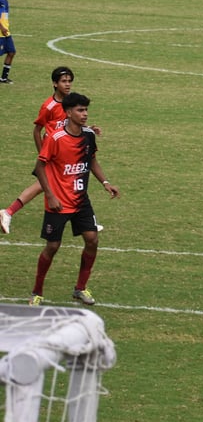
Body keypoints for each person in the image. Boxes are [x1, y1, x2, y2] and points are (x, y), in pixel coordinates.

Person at [30, 92, 121, 307]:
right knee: (52, 247)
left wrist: (106, 183)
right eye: (80, 110)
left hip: (80, 200)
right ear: (69, 112)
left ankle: (80, 288)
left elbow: (92, 161)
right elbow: (39, 167)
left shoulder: (88, 135)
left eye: (86, 110)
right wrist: (50, 195)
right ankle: (37, 291)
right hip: (58, 202)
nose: (85, 114)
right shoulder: (55, 138)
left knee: (92, 240)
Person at [2, 67, 105, 235]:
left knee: (60, 182)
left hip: (63, 153)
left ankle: (9, 212)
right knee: (46, 185)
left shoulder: (70, 104)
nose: (68, 84)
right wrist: (43, 154)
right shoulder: (49, 106)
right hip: (52, 154)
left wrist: (88, 128)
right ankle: (8, 212)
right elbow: (37, 130)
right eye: (64, 81)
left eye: (70, 81)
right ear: (55, 84)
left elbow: (71, 126)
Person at [0, 0, 15, 84]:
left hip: (6, 31)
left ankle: (3, 78)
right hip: (1, 31)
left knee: (11, 52)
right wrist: (2, 27)